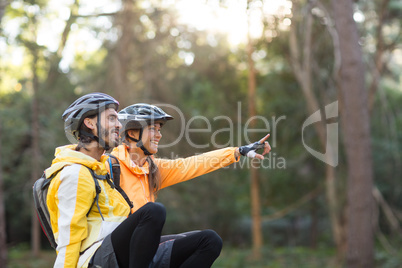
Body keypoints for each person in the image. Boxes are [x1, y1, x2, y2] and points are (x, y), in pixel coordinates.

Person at [111, 103, 271, 267]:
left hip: (142, 251)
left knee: (209, 241)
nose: (159, 135)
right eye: (153, 129)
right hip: (114, 250)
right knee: (154, 211)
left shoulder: (152, 169)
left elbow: (194, 164)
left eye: (159, 130)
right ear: (132, 132)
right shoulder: (109, 165)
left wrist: (237, 151)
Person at [46, 93, 170, 268]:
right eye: (112, 119)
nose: (119, 125)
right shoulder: (75, 174)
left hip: (115, 250)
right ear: (89, 123)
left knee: (206, 241)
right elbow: (69, 239)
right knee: (153, 212)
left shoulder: (101, 169)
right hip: (95, 258)